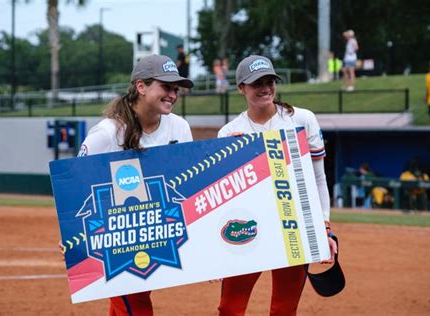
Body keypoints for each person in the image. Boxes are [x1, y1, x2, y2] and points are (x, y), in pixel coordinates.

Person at [65, 54, 194, 315]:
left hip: (157, 232)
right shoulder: (107, 133)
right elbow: (75, 182)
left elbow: (189, 182)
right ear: (141, 86)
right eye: (166, 87)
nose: (173, 94)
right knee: (136, 306)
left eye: (175, 89)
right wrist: (73, 233)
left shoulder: (179, 127)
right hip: (119, 236)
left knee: (131, 302)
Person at [217, 55, 338, 316]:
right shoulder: (229, 132)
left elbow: (318, 178)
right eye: (256, 83)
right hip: (248, 230)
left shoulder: (302, 119)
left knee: (284, 309)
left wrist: (324, 227)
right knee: (230, 308)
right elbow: (226, 198)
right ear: (241, 88)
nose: (265, 88)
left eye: (269, 81)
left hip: (293, 226)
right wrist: (232, 156)